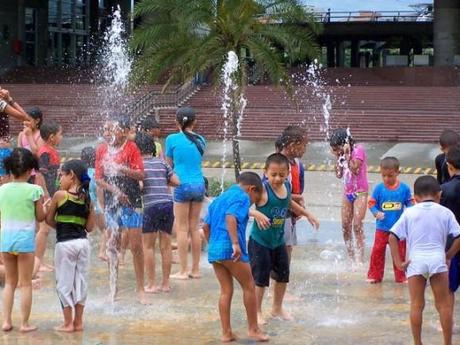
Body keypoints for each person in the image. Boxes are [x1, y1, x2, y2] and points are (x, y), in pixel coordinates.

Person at [389, 175, 460, 345]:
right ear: (439, 195)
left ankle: (418, 343)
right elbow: (459, 236)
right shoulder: (445, 212)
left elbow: (392, 236)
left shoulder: (409, 212)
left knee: (416, 305)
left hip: (416, 262)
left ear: (415, 198)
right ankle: (447, 343)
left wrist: (399, 263)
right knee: (443, 306)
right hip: (438, 260)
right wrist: (449, 255)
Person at [249, 153, 319, 324]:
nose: (277, 178)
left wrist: (306, 213)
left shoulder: (286, 186)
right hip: (260, 242)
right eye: (273, 174)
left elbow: (288, 203)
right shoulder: (262, 190)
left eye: (282, 174)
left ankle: (277, 308)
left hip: (278, 240)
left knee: (283, 275)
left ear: (288, 172)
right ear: (265, 172)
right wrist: (257, 213)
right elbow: (242, 208)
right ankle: (256, 311)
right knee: (260, 279)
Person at [202, 172, 268, 343]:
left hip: (215, 249)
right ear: (251, 189)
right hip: (230, 249)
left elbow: (205, 226)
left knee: (226, 290)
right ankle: (253, 329)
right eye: (255, 199)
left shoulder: (220, 198)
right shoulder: (242, 197)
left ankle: (226, 333)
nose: (252, 202)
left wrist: (213, 246)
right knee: (249, 285)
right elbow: (231, 217)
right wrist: (235, 244)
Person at [95, 114, 147, 304]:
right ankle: (113, 289)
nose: (109, 133)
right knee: (112, 245)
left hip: (132, 201)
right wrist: (115, 190)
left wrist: (121, 168)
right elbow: (99, 178)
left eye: (114, 128)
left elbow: (141, 174)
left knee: (136, 246)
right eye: (108, 129)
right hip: (113, 201)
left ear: (125, 132)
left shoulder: (132, 148)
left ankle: (140, 288)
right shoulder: (102, 150)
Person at [45, 159, 95, 332]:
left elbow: (49, 219)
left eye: (62, 175)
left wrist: (60, 225)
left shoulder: (60, 195)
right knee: (81, 282)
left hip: (65, 244)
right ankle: (78, 323)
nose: (60, 180)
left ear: (71, 176)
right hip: (83, 244)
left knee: (64, 284)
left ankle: (67, 324)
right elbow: (89, 227)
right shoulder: (87, 199)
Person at [0, 148, 45, 332]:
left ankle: (6, 322)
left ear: (10, 170)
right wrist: (46, 207)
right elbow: (41, 217)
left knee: (10, 282)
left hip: (6, 240)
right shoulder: (34, 190)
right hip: (25, 242)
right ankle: (25, 324)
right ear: (29, 171)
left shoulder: (2, 190)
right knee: (25, 283)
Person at [135, 132, 179, 293]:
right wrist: (160, 180)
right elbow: (176, 182)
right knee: (166, 246)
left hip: (151, 206)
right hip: (167, 204)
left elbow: (139, 186)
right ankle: (165, 284)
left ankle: (152, 284)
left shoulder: (138, 165)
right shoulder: (162, 164)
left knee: (148, 247)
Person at [166, 106, 206, 280]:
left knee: (182, 229)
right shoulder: (201, 140)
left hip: (181, 184)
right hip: (199, 184)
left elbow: (169, 166)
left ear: (176, 122)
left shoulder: (172, 139)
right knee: (194, 228)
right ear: (194, 122)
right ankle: (195, 270)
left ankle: (183, 270)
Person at [367, 157, 413, 283]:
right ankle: (374, 275)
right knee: (377, 251)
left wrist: (410, 211)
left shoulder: (404, 189)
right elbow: (371, 203)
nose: (387, 179)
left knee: (400, 252)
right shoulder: (379, 189)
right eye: (384, 176)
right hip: (382, 227)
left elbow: (410, 202)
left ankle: (401, 276)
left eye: (390, 176)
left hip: (399, 229)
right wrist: (376, 213)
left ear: (398, 172)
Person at [330, 128, 368, 265]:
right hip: (348, 192)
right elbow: (339, 174)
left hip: (361, 192)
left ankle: (360, 258)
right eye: (333, 150)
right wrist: (337, 158)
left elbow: (355, 169)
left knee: (357, 225)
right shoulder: (340, 155)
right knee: (345, 226)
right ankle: (351, 257)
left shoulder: (358, 150)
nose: (336, 151)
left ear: (345, 143)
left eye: (336, 148)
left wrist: (346, 154)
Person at [35, 120, 63, 272]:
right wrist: (45, 195)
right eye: (60, 134)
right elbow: (40, 174)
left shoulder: (50, 150)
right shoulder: (45, 151)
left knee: (46, 229)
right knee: (44, 229)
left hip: (52, 194)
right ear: (52, 137)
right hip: (45, 195)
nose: (62, 137)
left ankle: (41, 261)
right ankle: (38, 263)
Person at [440, 146, 460, 325]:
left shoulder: (444, 190)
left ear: (449, 166)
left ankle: (448, 324)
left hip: (452, 245)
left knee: (449, 288)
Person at [0, 87, 32, 185]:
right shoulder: (1, 104)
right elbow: (25, 117)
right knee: (4, 189)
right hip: (2, 150)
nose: (2, 90)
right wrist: (9, 99)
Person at [81, 146, 107, 262]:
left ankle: (84, 252)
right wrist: (102, 206)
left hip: (83, 206)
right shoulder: (97, 173)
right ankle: (102, 252)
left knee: (84, 229)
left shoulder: (81, 174)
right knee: (105, 230)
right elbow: (99, 190)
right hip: (96, 206)